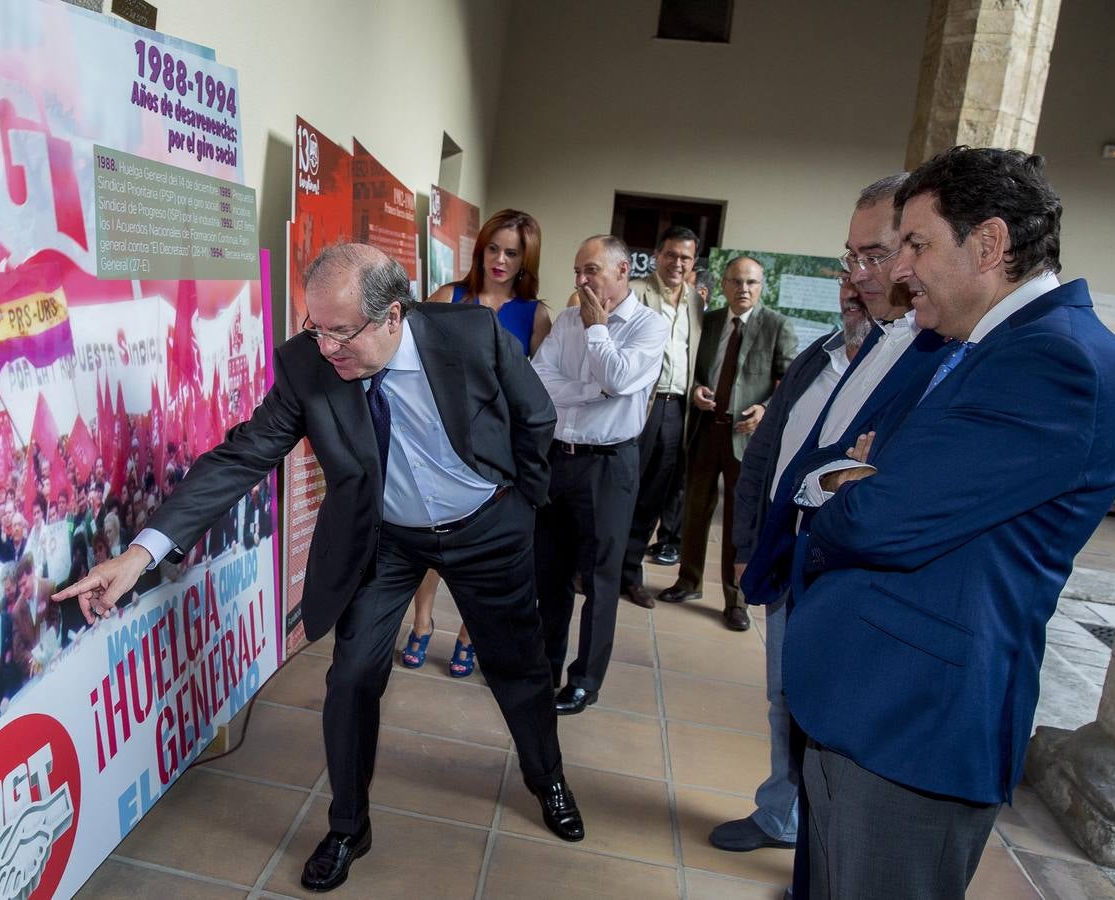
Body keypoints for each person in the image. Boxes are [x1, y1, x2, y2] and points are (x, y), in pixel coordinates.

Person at [57, 243, 583, 892]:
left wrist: (521, 503)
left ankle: (545, 776)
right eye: (315, 326)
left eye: (341, 331)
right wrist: (140, 555)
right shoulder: (309, 365)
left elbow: (535, 415)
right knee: (351, 678)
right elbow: (240, 457)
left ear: (393, 317)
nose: (325, 346)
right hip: (387, 542)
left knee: (518, 669)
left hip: (486, 527)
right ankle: (347, 826)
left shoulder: (469, 336)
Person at [784, 147, 1115, 898]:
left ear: (987, 244)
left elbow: (875, 519)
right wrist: (866, 479)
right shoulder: (990, 349)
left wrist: (855, 485)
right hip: (866, 701)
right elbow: (889, 490)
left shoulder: (1057, 361)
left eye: (916, 243)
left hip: (914, 724)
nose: (900, 266)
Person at [709, 174, 917, 860]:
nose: (853, 282)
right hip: (789, 557)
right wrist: (745, 545)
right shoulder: (817, 358)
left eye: (871, 261)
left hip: (846, 573)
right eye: (846, 265)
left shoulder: (917, 368)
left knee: (831, 717)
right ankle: (781, 813)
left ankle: (820, 849)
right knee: (781, 697)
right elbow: (763, 463)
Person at [404, 209, 552, 677]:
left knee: (481, 548)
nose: (500, 260)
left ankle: (470, 634)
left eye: (512, 253)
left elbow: (535, 391)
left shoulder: (537, 315)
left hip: (497, 449)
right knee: (432, 536)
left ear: (526, 260)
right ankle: (422, 622)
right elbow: (411, 353)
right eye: (494, 248)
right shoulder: (450, 296)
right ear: (480, 248)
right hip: (441, 439)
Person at [532, 235, 665, 715]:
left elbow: (620, 379)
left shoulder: (650, 326)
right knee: (548, 574)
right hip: (557, 460)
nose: (580, 281)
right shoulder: (565, 320)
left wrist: (597, 332)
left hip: (609, 465)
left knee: (601, 579)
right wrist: (593, 390)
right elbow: (538, 380)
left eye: (590, 270)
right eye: (577, 271)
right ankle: (543, 670)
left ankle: (585, 680)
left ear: (622, 270)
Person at [658, 257, 797, 630]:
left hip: (746, 438)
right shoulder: (712, 321)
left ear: (761, 285)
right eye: (736, 281)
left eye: (751, 282)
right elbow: (698, 370)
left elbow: (789, 383)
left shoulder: (777, 325)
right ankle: (688, 581)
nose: (743, 289)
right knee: (695, 509)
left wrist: (766, 410)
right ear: (724, 285)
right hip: (707, 429)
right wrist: (698, 389)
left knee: (739, 519)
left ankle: (735, 599)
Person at [620, 226, 703, 607]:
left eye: (685, 257)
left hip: (676, 409)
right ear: (657, 256)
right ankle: (591, 567)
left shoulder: (696, 301)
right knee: (620, 488)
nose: (677, 263)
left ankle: (630, 574)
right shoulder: (636, 292)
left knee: (652, 496)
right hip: (640, 405)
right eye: (671, 255)